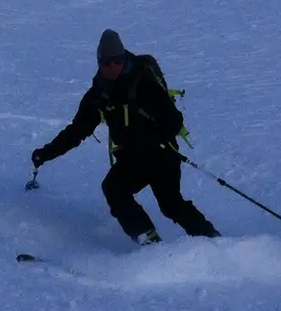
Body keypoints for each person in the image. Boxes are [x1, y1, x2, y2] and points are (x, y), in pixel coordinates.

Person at [31, 29, 220, 245]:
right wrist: (48, 152)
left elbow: (174, 121)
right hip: (132, 157)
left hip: (161, 152)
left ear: (123, 58)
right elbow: (78, 130)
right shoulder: (99, 94)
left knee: (170, 204)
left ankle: (213, 241)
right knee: (114, 189)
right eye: (106, 62)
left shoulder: (144, 81)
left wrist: (153, 139)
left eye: (117, 60)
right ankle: (148, 240)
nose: (112, 66)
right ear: (99, 63)